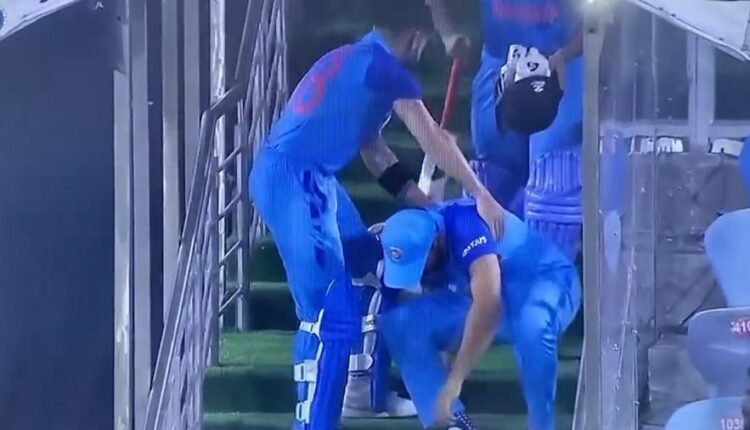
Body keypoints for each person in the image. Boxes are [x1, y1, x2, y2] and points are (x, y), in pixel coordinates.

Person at [248, 0, 507, 427]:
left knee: (370, 266)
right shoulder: (387, 71)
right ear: (415, 38)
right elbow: (433, 138)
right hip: (294, 181)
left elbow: (375, 152)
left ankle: (361, 390)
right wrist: (480, 194)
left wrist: (424, 203)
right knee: (329, 317)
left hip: (312, 178)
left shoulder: (354, 59)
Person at [376, 198, 581, 430]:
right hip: (481, 295)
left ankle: (542, 425)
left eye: (420, 264)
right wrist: (439, 383)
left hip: (546, 283)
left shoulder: (466, 224)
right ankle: (451, 424)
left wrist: (454, 382)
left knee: (532, 327)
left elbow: (488, 307)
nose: (419, 273)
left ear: (435, 243)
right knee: (401, 324)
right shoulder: (413, 241)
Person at [425, 0, 584, 260]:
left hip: (565, 63)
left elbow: (603, 21)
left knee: (554, 184)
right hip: (500, 62)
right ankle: (487, 269)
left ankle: (547, 274)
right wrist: (448, 34)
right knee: (491, 181)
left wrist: (563, 57)